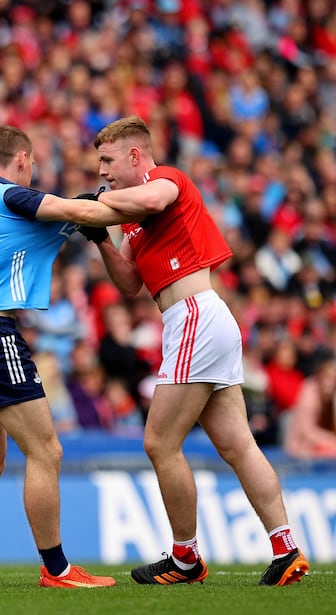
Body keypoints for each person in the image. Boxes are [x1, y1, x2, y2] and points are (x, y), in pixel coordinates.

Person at [79, 115, 309, 586]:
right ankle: (286, 550)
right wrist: (102, 237)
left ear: (135, 156)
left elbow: (147, 198)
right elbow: (129, 283)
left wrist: (93, 207)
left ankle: (185, 558)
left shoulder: (164, 180)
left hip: (193, 318)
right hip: (203, 319)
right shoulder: (133, 222)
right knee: (238, 444)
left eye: (107, 160)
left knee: (159, 443)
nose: (101, 170)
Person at [0, 125, 133, 589]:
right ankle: (58, 569)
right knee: (46, 451)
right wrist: (121, 203)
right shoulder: (8, 196)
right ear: (21, 159)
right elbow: (70, 209)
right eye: (33, 164)